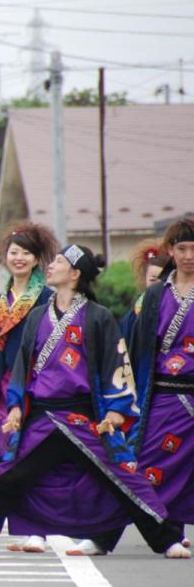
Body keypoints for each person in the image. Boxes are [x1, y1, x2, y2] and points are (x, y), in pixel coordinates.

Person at [0, 245, 189, 561]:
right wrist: (16, 407)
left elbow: (117, 365)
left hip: (84, 420)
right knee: (6, 480)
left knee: (124, 481)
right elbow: (22, 366)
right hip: (42, 421)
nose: (50, 266)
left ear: (75, 274)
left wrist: (115, 411)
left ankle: (166, 540)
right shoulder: (36, 317)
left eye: (58, 262)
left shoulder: (98, 317)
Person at [0, 224, 57, 553]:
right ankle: (21, 526)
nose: (18, 258)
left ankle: (37, 529)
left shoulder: (47, 299)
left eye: (26, 253)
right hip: (5, 388)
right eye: (13, 252)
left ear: (37, 259)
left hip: (35, 388)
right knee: (6, 455)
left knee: (31, 455)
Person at [124, 219, 194, 551]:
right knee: (145, 466)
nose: (189, 256)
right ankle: (108, 534)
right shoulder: (155, 295)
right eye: (182, 249)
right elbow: (139, 347)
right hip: (162, 396)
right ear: (170, 251)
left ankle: (174, 535)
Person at [120, 239, 169, 341]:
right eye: (153, 280)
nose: (158, 285)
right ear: (145, 279)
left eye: (163, 280)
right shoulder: (132, 316)